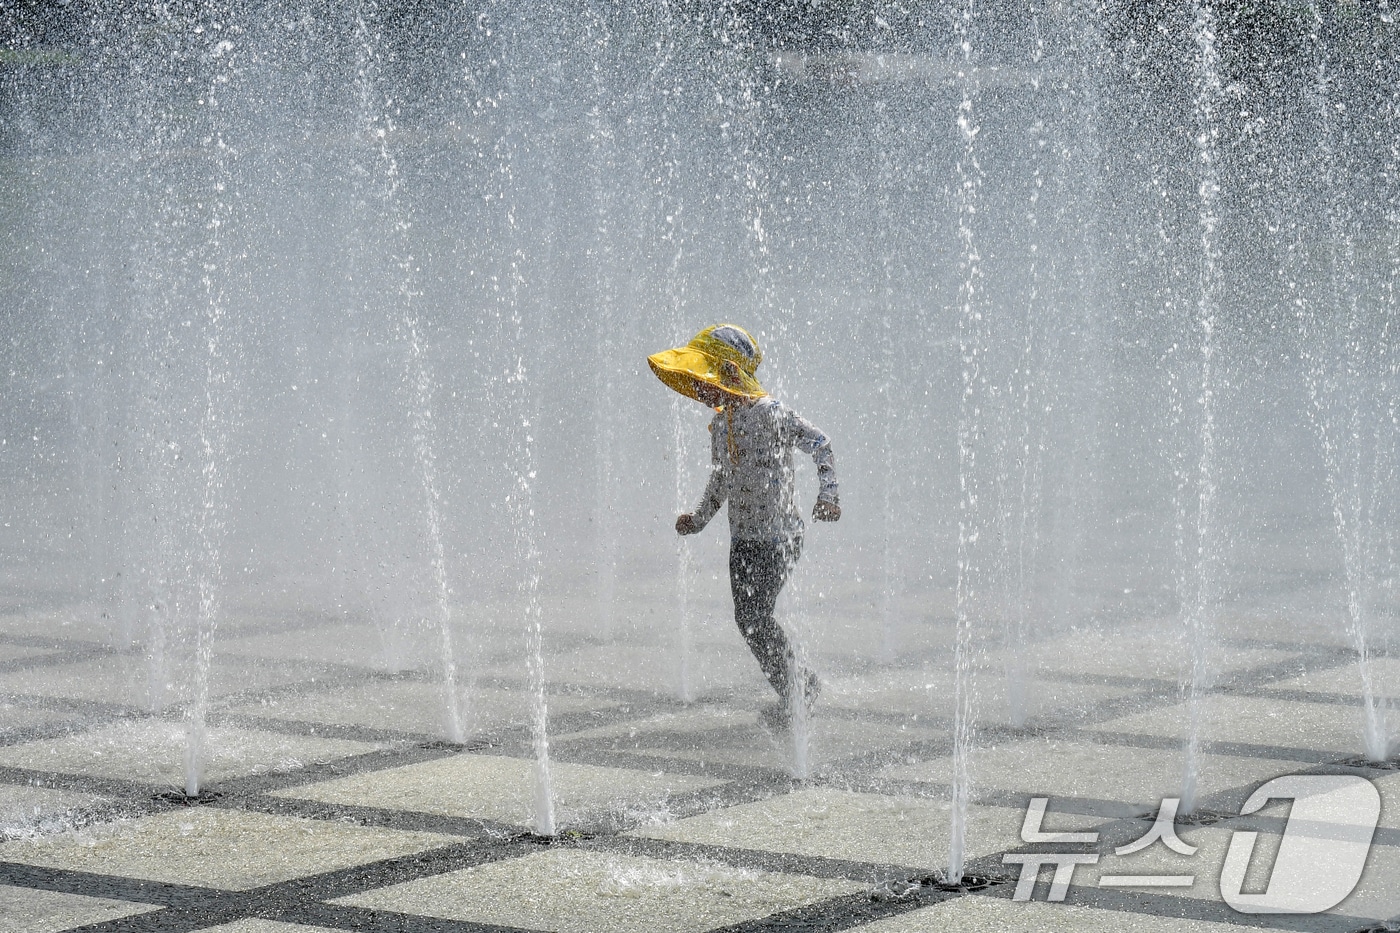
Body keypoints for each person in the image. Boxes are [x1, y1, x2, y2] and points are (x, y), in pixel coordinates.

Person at [648, 324, 839, 723]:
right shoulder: (721, 425)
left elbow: (820, 443)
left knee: (755, 618)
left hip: (781, 536)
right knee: (748, 620)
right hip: (744, 539)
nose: (700, 392)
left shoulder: (773, 414)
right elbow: (721, 479)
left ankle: (798, 690)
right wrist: (697, 519)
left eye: (705, 381)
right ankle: (797, 686)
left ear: (732, 373)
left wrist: (828, 496)